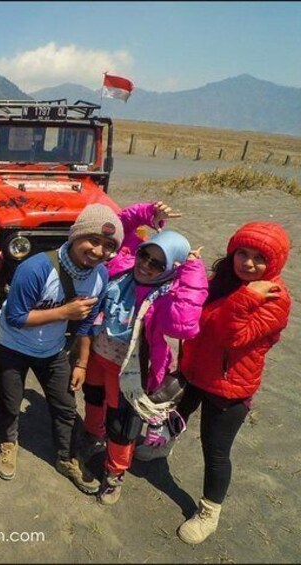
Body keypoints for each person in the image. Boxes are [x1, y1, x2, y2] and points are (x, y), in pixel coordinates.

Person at [76, 201, 207, 505]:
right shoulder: (122, 266)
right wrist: (149, 214)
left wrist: (192, 267)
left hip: (130, 372)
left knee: (122, 426)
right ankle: (92, 438)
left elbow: (186, 324)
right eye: (145, 254)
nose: (146, 265)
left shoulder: (167, 298)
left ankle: (114, 474)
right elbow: (119, 225)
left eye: (157, 264)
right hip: (98, 356)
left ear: (173, 269)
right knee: (93, 401)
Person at [0, 204, 123, 494]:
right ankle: (8, 443)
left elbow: (87, 324)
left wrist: (81, 364)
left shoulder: (100, 278)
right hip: (11, 344)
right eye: (93, 240)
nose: (98, 251)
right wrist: (65, 312)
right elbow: (15, 318)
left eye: (108, 246)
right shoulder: (35, 268)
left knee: (65, 406)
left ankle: (66, 458)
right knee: (9, 401)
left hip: (52, 350)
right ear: (76, 236)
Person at [174, 222, 291, 544]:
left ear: (275, 263)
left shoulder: (275, 297)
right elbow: (194, 309)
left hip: (229, 384)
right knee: (175, 415)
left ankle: (209, 512)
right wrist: (189, 270)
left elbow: (233, 338)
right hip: (195, 370)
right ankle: (160, 449)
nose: (248, 263)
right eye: (242, 253)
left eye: (259, 258)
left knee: (215, 451)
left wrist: (247, 297)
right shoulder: (225, 279)